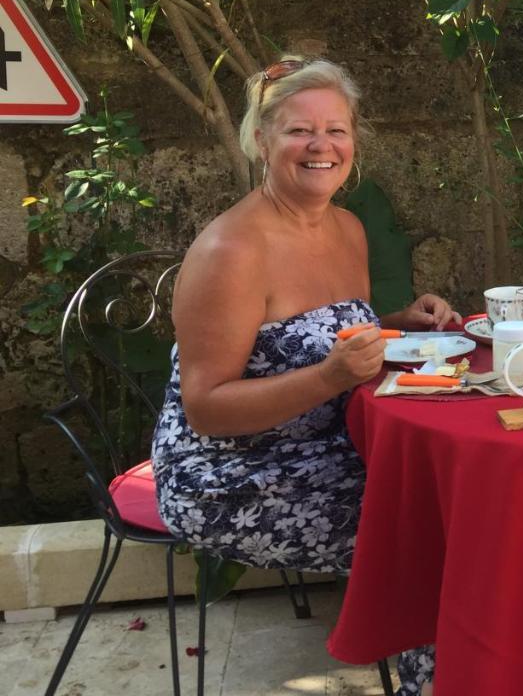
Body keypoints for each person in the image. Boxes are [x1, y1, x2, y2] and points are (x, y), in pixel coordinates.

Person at [151, 58, 457, 695]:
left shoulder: (346, 228)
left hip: (331, 447)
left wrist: (402, 323)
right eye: (299, 131)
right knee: (438, 535)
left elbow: (331, 330)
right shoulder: (230, 250)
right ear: (261, 141)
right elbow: (206, 408)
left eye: (336, 130)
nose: (322, 146)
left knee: (464, 505)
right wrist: (328, 377)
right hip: (230, 474)